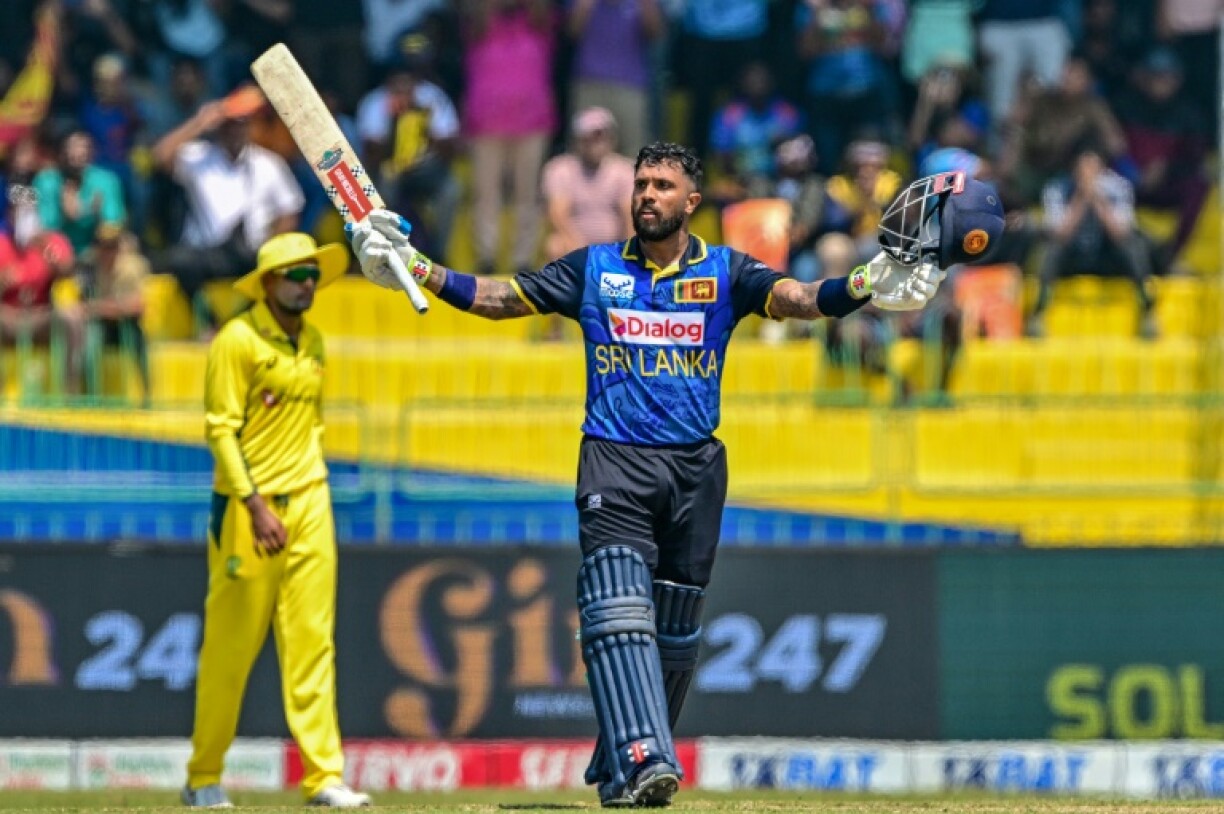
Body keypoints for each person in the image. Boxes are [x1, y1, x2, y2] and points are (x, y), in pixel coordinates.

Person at [349, 142, 1001, 808]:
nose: (646, 195)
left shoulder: (725, 271)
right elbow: (499, 298)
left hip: (695, 469)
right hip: (615, 459)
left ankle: (618, 772)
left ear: (692, 201)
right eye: (640, 184)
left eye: (661, 185)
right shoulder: (594, 268)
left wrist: (862, 285)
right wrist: (419, 269)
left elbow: (803, 298)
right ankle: (645, 755)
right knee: (615, 608)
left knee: (676, 630)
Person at [183, 232, 370, 809]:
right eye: (294, 274)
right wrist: (256, 503)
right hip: (248, 509)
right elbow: (220, 429)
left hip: (311, 501)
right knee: (230, 650)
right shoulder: (236, 341)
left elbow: (310, 427)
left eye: (312, 273)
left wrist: (311, 486)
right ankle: (203, 777)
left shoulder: (313, 340)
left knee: (313, 646)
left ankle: (324, 778)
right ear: (267, 283)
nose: (306, 283)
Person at [1029, 143, 1156, 339]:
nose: (1087, 174)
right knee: (1050, 249)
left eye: (1092, 168)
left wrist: (1097, 199)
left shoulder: (1118, 187)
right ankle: (1038, 314)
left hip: (1105, 256)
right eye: (1082, 169)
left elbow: (1120, 233)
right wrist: (1081, 198)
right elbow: (1060, 233)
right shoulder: (1057, 189)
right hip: (1073, 257)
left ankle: (1148, 312)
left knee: (1134, 247)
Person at [540, 106, 634, 260]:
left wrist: (629, 251)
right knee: (555, 245)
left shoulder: (624, 170)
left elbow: (630, 215)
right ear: (577, 140)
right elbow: (558, 215)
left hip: (615, 244)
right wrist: (579, 249)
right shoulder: (560, 169)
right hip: (575, 243)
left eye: (601, 137)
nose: (595, 144)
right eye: (589, 138)